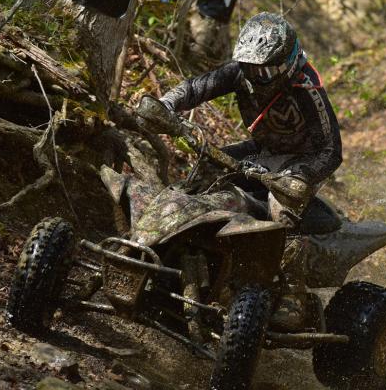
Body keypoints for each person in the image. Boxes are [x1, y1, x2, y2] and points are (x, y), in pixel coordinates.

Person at [139, 12, 343, 228]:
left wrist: (301, 177)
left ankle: (281, 258)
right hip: (263, 150)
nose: (255, 76)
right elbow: (195, 88)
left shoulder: (307, 89)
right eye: (250, 66)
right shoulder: (240, 73)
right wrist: (166, 104)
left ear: (286, 64)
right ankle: (171, 227)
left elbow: (331, 149)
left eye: (264, 70)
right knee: (207, 172)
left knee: (280, 207)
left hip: (303, 160)